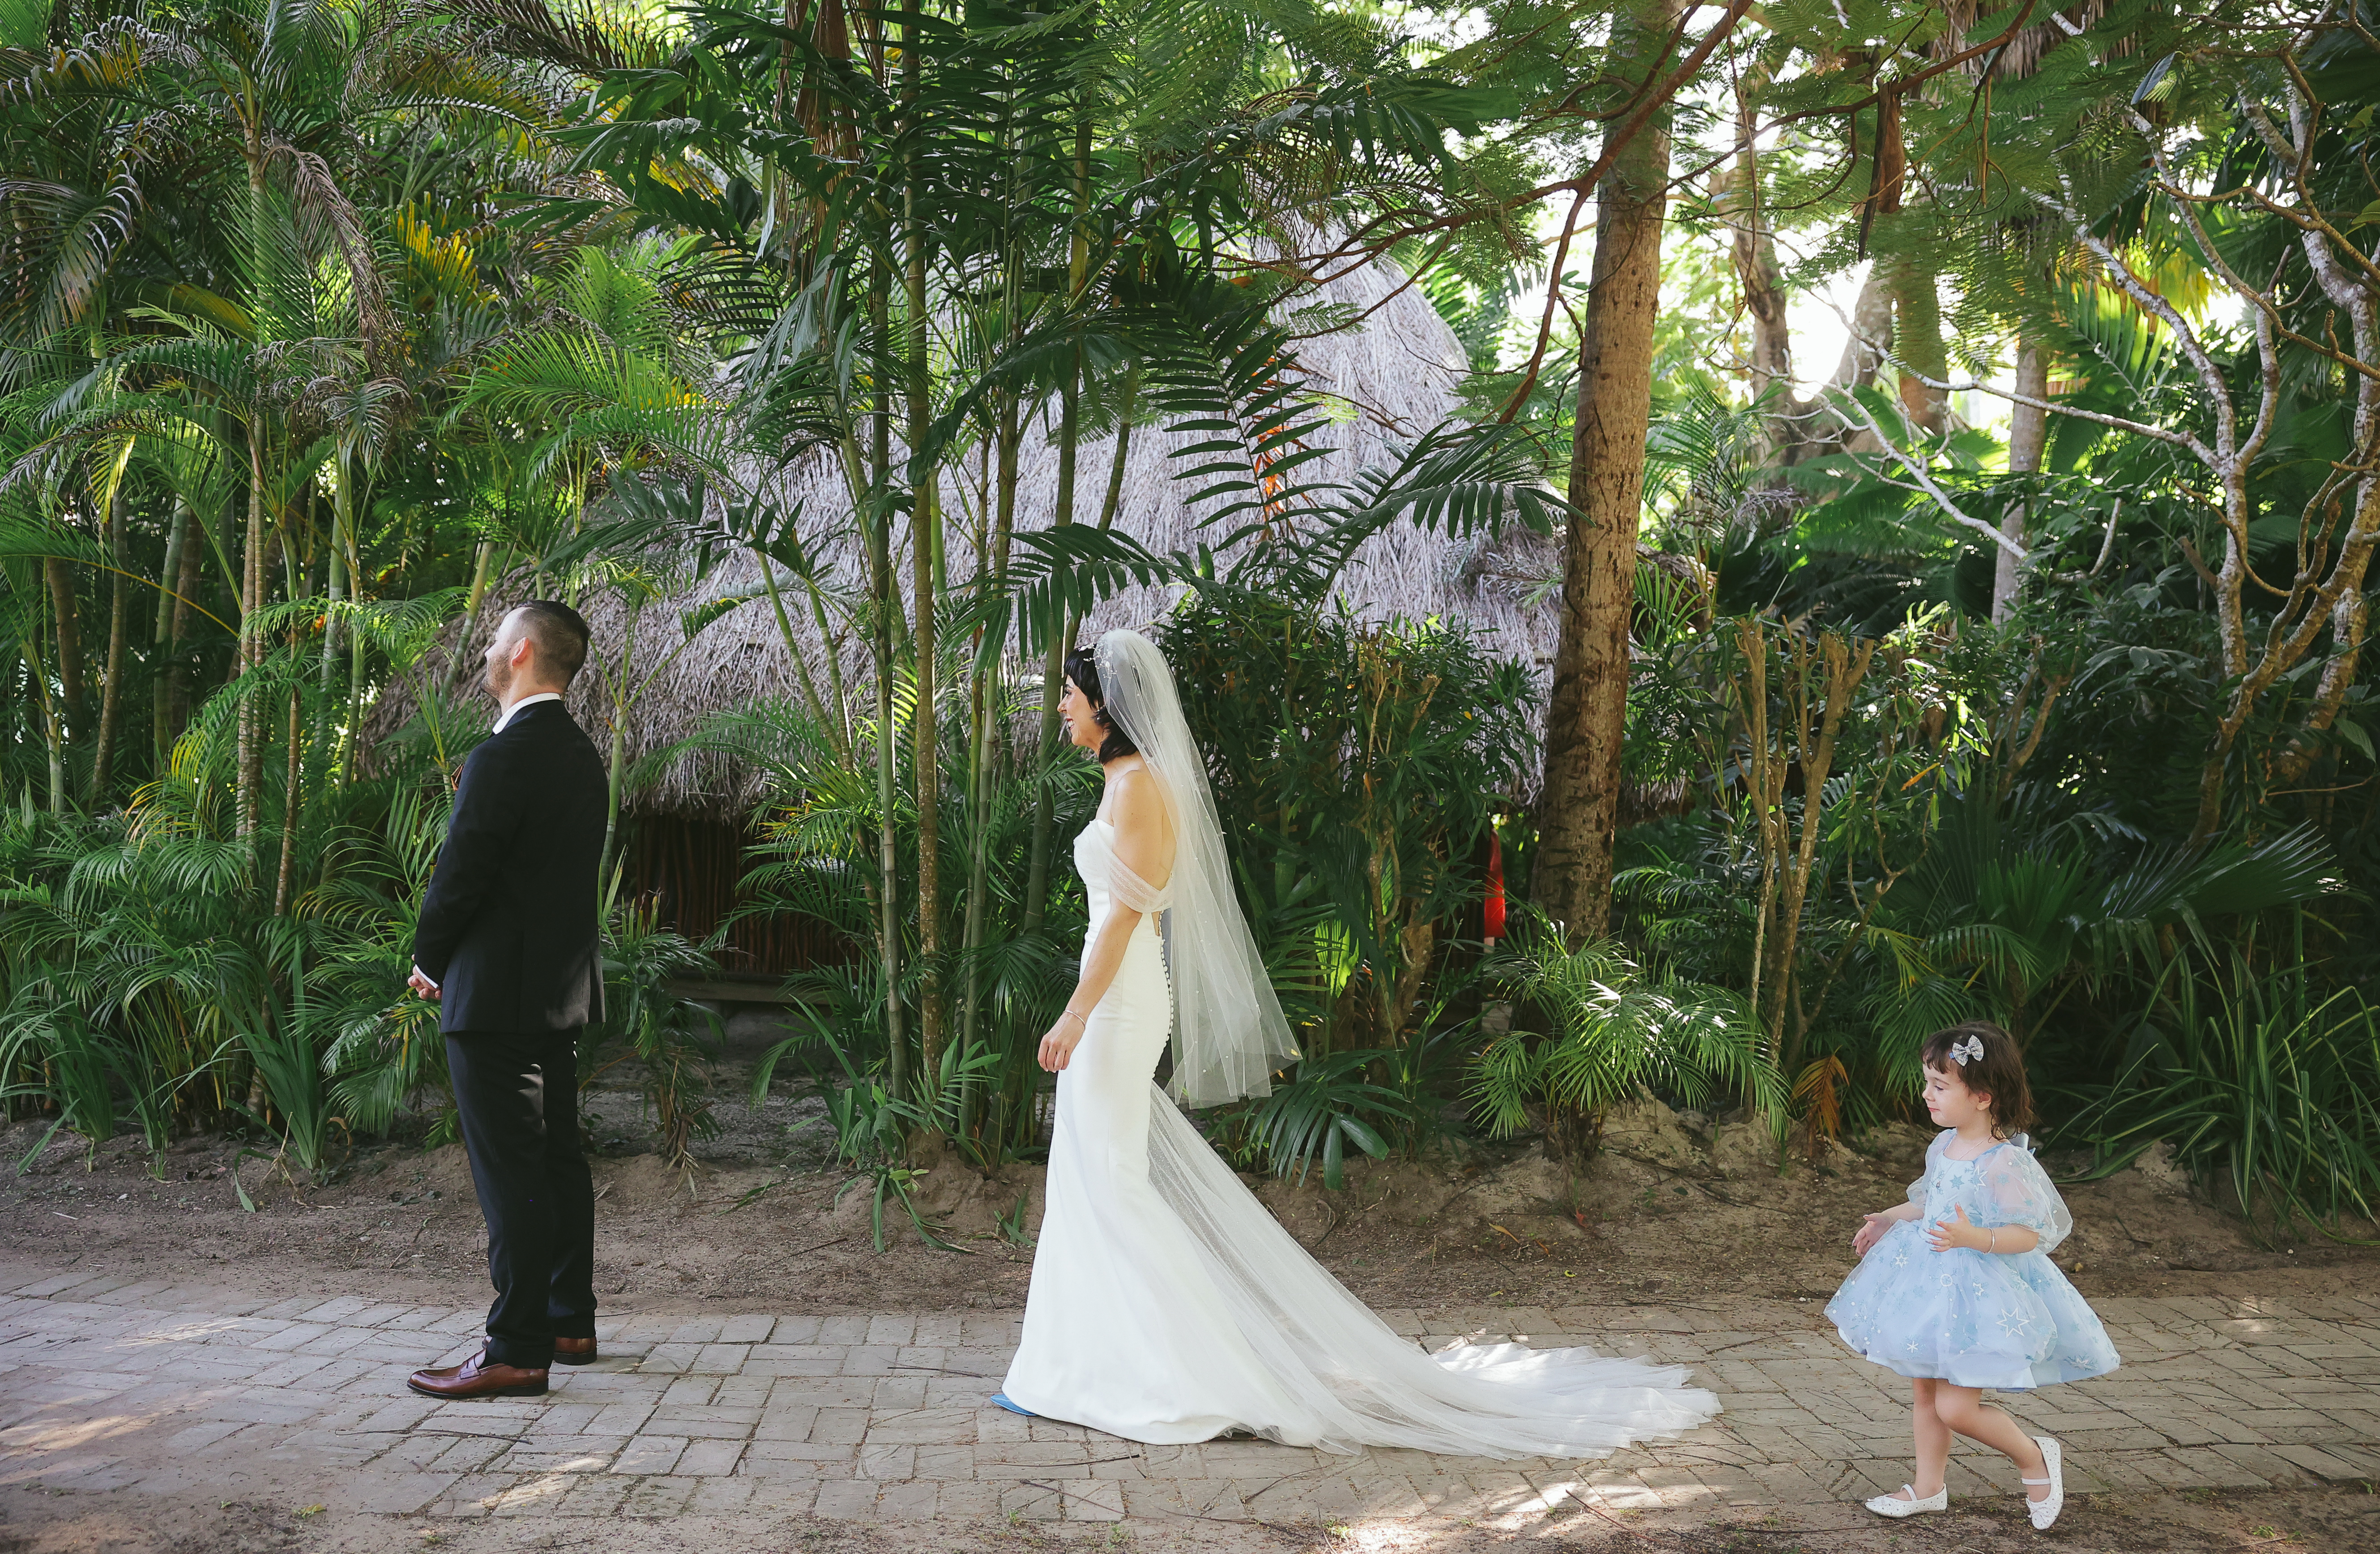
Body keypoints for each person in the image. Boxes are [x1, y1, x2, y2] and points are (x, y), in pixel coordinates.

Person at [992, 628, 1720, 1456]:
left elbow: (1125, 916)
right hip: (1114, 997)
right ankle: (1085, 1364)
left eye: (1071, 695)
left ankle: (1189, 1373)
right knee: (1093, 1177)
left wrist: (1077, 1012)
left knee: (1112, 1182)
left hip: (1117, 1007)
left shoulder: (1136, 791)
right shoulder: (1126, 782)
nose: (1060, 707)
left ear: (1106, 708)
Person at [402, 601, 609, 1401]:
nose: (486, 652)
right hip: (556, 995)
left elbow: (463, 874)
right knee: (554, 1160)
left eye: (494, 641)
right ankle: (568, 1319)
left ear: (520, 654)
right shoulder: (580, 756)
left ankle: (518, 1349)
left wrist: (429, 958)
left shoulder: (505, 757)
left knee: (511, 1174)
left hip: (493, 999)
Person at [1827, 1022, 2119, 1529]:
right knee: (1925, 1392)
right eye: (1927, 1082)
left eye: (1940, 1086)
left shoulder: (2003, 1161)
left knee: (1957, 1408)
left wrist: (1974, 1238)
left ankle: (2034, 1457)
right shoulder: (1942, 1148)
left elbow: (2028, 1234)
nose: (1926, 1095)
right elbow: (1929, 1202)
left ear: (1982, 1097)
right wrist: (1886, 1218)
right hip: (1929, 1283)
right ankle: (1926, 1487)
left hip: (1977, 1290)